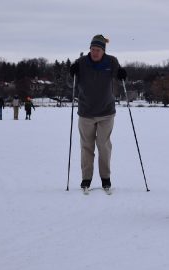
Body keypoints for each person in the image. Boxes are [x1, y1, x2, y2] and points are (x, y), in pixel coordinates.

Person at [70, 34, 127, 190]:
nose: (95, 52)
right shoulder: (81, 62)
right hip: (86, 112)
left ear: (103, 51)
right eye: (93, 49)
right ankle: (86, 179)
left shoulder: (111, 61)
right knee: (86, 146)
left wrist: (123, 74)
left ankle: (105, 178)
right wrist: (72, 72)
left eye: (98, 50)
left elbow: (119, 75)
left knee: (104, 146)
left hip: (106, 112)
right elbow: (72, 83)